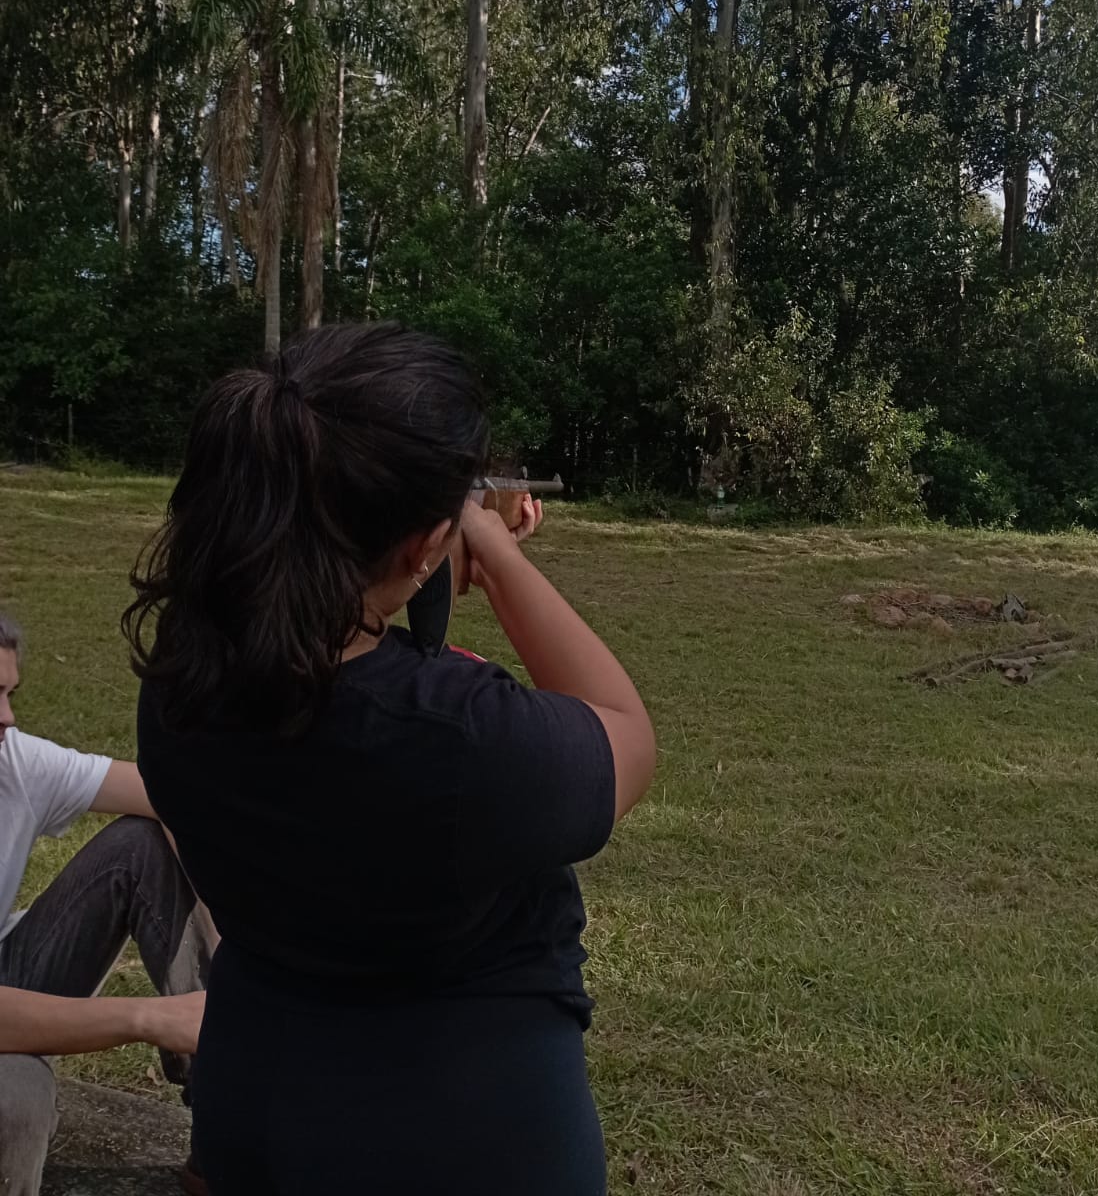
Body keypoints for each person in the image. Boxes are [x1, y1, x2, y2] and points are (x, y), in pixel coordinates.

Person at [129, 323, 656, 1195]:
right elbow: (625, 736)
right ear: (420, 545)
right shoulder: (458, 741)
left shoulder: (180, 682)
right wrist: (490, 550)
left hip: (253, 1104)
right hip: (462, 1138)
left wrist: (429, 545)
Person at [0, 611, 211, 1196]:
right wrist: (146, 1018)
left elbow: (174, 799)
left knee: (139, 844)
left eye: (9, 693)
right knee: (15, 1104)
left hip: (12, 971)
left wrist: (226, 935)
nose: (7, 717)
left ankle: (228, 1114)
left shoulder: (14, 760)